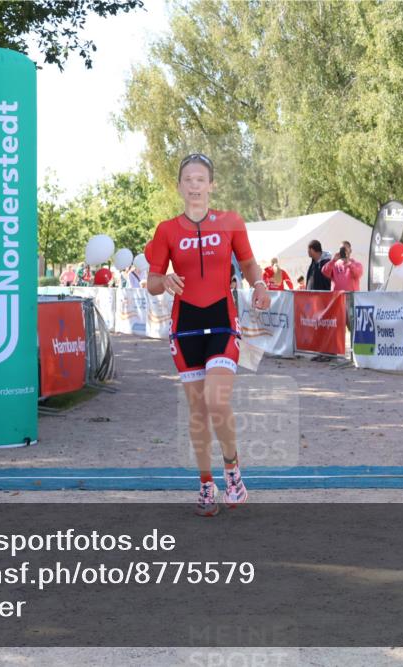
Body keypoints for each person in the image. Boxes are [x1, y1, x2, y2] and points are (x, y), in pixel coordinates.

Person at [146, 153, 270, 517]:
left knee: (217, 401)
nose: (195, 185)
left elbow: (247, 263)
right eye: (189, 179)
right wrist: (164, 280)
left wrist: (259, 283)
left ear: (211, 185)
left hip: (221, 322)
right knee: (198, 411)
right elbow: (153, 281)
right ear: (180, 186)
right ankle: (205, 483)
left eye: (201, 179)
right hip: (184, 328)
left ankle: (232, 472)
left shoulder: (231, 222)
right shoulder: (166, 230)